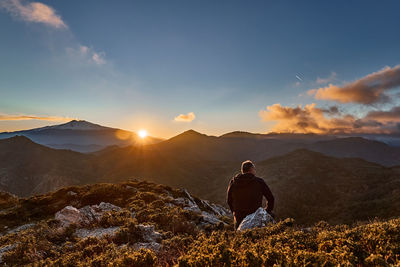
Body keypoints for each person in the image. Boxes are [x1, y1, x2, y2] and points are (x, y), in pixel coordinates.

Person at [227, 160, 274, 230]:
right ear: (251, 170)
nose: (255, 171)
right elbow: (271, 198)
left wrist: (235, 213)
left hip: (239, 219)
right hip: (255, 217)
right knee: (272, 217)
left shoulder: (233, 182)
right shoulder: (259, 182)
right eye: (254, 169)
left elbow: (229, 200)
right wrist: (266, 211)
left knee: (239, 237)